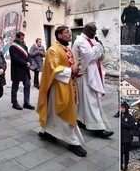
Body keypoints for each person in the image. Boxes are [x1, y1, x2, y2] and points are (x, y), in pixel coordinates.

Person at [36, 26, 87, 157]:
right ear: (59, 35)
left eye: (70, 33)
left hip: (70, 85)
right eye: (67, 33)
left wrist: (76, 72)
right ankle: (73, 142)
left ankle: (47, 132)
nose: (70, 35)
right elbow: (54, 69)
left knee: (55, 113)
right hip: (58, 88)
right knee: (65, 112)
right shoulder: (52, 50)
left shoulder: (68, 49)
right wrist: (71, 71)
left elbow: (71, 66)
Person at [72, 23, 114, 138]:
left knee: (85, 101)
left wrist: (99, 51)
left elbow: (96, 56)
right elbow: (87, 57)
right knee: (91, 101)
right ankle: (97, 128)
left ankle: (80, 120)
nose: (95, 33)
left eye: (95, 31)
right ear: (86, 30)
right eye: (93, 31)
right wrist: (98, 47)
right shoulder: (80, 41)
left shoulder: (89, 40)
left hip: (92, 73)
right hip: (85, 75)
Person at [9, 32, 34, 110]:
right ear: (17, 38)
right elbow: (15, 58)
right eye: (21, 38)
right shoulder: (12, 47)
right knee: (15, 87)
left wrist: (29, 62)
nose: (22, 40)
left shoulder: (24, 46)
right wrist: (25, 63)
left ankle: (26, 103)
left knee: (27, 85)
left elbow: (28, 55)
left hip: (25, 69)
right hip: (17, 69)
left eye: (23, 38)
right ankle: (14, 103)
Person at [120, 101, 136, 171]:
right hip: (121, 137)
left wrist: (123, 123)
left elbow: (132, 126)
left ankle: (126, 164)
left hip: (127, 137)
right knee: (120, 152)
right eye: (121, 108)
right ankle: (120, 163)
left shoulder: (130, 117)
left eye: (123, 108)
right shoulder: (120, 115)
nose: (122, 109)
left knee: (126, 152)